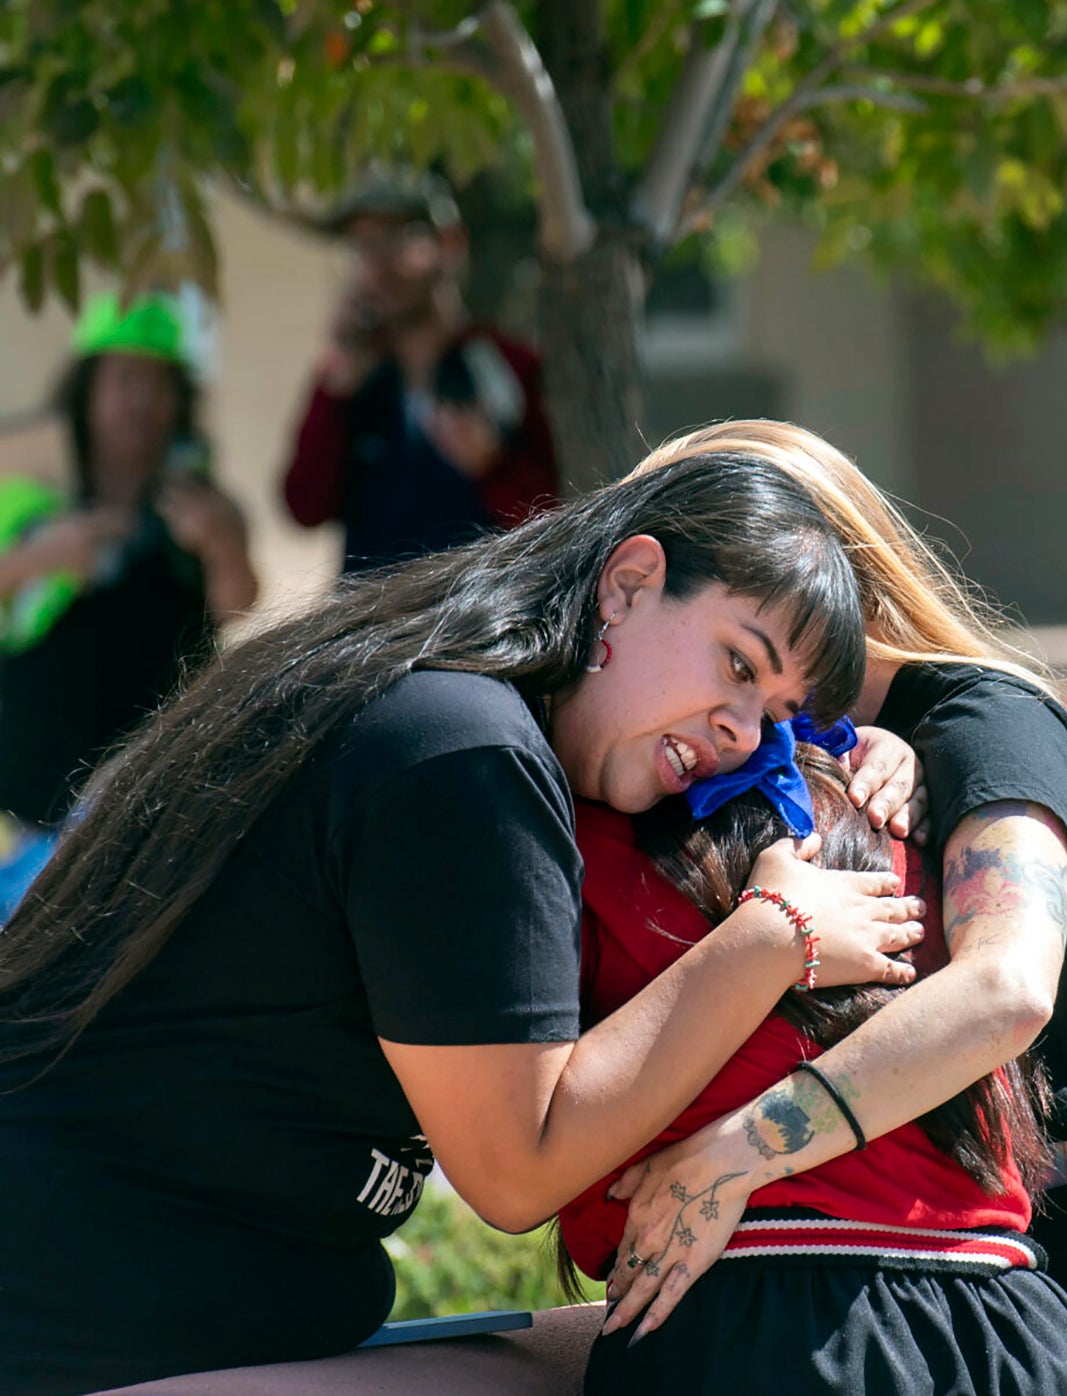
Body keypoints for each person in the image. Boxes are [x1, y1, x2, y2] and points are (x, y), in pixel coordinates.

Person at [0, 451, 926, 1395]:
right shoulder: (462, 755)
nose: (742, 732)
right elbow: (516, 1174)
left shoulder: (439, 701)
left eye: (775, 716)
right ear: (629, 583)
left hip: (176, 1319)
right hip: (86, 1337)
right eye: (737, 664)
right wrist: (773, 934)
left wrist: (861, 759)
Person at [601, 422, 1067, 1396]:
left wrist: (735, 1153)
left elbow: (1004, 989)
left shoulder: (983, 724)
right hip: (958, 1273)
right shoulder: (821, 753)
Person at [561, 737, 1067, 1394]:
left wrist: (737, 1153)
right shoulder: (878, 797)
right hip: (1014, 1327)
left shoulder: (581, 834)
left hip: (758, 1323)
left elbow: (521, 1129)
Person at [0, 291, 257, 836]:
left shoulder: (204, 500)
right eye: (125, 380)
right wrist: (44, 556)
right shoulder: (29, 493)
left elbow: (238, 608)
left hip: (153, 801)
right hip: (26, 801)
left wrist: (221, 546)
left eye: (159, 382)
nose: (143, 400)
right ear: (87, 390)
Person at [283, 173, 560, 572]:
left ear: (450, 244)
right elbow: (304, 509)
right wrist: (335, 389)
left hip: (477, 621)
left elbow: (557, 518)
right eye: (362, 246)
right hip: (370, 627)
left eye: (398, 240)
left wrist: (492, 467)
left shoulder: (509, 364)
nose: (377, 265)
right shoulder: (351, 376)